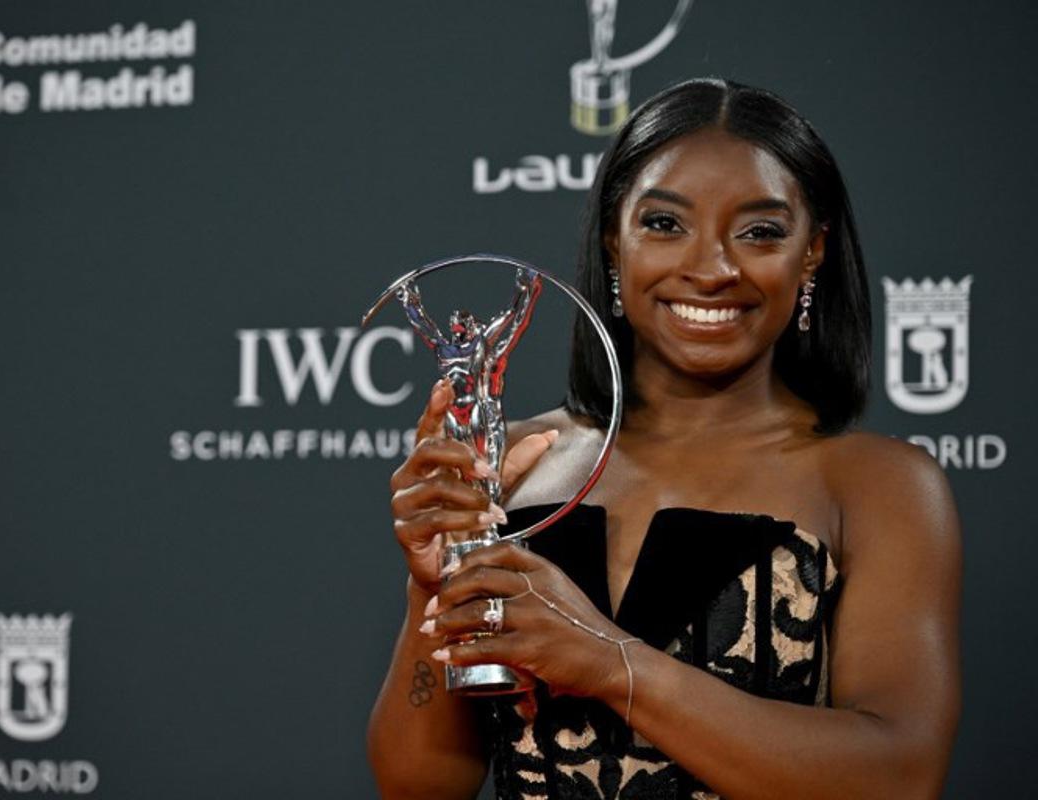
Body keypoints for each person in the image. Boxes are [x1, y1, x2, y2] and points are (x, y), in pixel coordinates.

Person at [367, 77, 961, 800]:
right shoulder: (514, 467)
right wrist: (429, 588)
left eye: (761, 232)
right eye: (664, 224)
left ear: (813, 253)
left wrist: (612, 663)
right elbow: (418, 786)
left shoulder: (878, 485)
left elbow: (899, 778)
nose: (711, 269)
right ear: (613, 240)